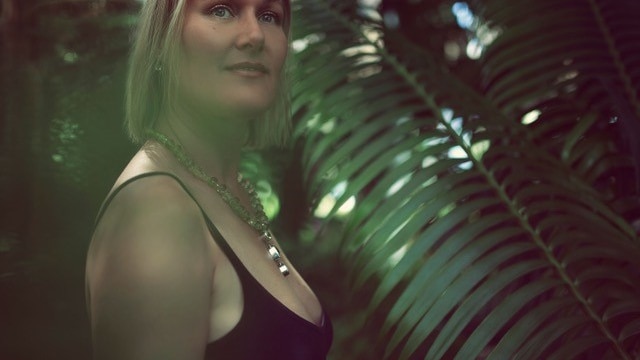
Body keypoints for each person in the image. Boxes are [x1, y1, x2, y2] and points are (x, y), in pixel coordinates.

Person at [84, 0, 333, 359]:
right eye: (221, 10)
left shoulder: (227, 188)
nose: (255, 35)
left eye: (269, 16)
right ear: (162, 40)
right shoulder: (156, 216)